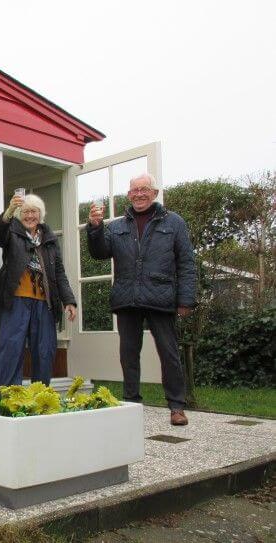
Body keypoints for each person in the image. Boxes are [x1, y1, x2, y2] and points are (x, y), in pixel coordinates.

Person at [87, 173, 196, 426]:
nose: (139, 194)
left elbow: (186, 263)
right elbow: (99, 253)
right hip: (128, 298)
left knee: (169, 353)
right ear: (128, 195)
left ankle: (177, 406)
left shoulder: (174, 222)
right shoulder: (116, 226)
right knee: (128, 353)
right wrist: (94, 227)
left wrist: (186, 300)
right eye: (134, 190)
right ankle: (131, 403)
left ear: (154, 193)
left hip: (161, 297)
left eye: (144, 189)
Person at [0, 193, 77, 388]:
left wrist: (69, 301)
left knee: (45, 350)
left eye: (34, 212)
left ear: (41, 214)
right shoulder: (12, 232)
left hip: (44, 303)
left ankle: (40, 397)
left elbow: (59, 273)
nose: (30, 216)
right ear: (20, 215)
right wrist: (10, 211)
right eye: (25, 212)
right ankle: (9, 399)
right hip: (16, 300)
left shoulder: (50, 240)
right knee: (11, 349)